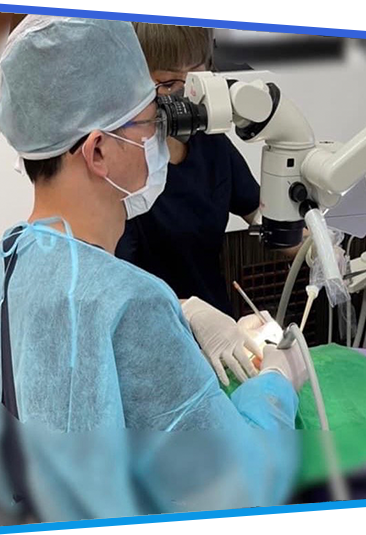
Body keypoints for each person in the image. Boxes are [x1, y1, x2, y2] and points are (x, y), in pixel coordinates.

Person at [0, 16, 307, 525]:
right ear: (99, 150)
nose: (161, 139)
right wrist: (277, 382)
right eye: (149, 123)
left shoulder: (3, 268)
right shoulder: (130, 302)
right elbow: (234, 483)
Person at [115, 24, 261, 319]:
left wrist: (318, 248)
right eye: (168, 83)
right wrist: (186, 314)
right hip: (149, 329)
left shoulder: (211, 144)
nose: (184, 95)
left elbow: (260, 214)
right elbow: (114, 285)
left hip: (218, 325)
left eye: (196, 78)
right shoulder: (117, 165)